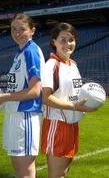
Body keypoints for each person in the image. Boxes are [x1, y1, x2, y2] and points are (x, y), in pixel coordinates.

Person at [0, 13, 45, 178]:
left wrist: (2, 98)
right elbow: (19, 87)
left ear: (32, 30)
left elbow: (35, 91)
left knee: (25, 172)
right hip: (15, 115)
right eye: (13, 29)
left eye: (22, 29)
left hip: (25, 116)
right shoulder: (20, 53)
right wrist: (0, 97)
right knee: (19, 170)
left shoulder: (31, 51)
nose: (17, 33)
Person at [41, 22, 97, 178]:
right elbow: (45, 98)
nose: (67, 44)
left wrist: (90, 100)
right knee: (56, 175)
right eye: (62, 40)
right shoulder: (52, 65)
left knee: (63, 173)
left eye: (71, 39)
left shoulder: (72, 64)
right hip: (57, 124)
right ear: (54, 42)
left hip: (72, 123)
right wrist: (75, 106)